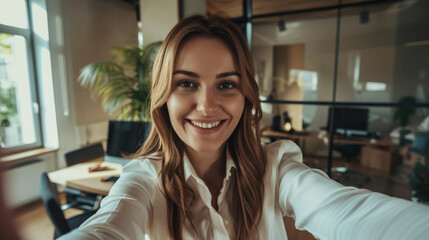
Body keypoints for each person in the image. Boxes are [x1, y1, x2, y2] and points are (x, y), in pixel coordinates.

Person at [60, 15, 429, 240]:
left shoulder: (277, 167)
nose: (206, 105)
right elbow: (106, 227)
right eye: (186, 83)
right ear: (164, 97)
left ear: (246, 96)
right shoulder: (143, 178)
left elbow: (348, 212)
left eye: (226, 84)